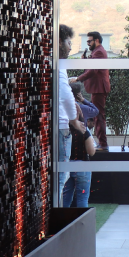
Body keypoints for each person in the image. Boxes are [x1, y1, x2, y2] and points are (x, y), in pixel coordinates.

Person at [71, 31, 110, 150]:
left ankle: (103, 144)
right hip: (98, 87)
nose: (88, 43)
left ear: (96, 40)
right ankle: (102, 144)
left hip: (99, 88)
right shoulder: (96, 51)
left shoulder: (99, 52)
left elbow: (93, 70)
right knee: (98, 115)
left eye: (89, 41)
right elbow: (91, 69)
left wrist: (78, 78)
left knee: (99, 115)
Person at [63, 82, 98, 207]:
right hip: (82, 166)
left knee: (65, 199)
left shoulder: (63, 130)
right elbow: (91, 152)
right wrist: (83, 100)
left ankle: (63, 219)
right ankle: (81, 220)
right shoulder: (84, 131)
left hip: (67, 166)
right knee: (82, 199)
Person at [56, 24, 77, 200]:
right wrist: (74, 119)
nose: (70, 47)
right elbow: (65, 94)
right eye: (69, 43)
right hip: (61, 126)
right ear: (59, 42)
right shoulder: (60, 64)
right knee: (61, 177)